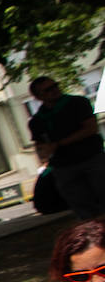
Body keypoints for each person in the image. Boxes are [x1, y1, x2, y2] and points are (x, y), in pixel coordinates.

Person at [28, 76, 105, 219]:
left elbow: (90, 128)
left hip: (92, 158)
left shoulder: (77, 103)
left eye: (55, 86)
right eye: (48, 89)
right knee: (82, 206)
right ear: (39, 96)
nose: (55, 90)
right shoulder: (37, 120)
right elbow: (40, 145)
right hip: (64, 167)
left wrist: (58, 144)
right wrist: (44, 153)